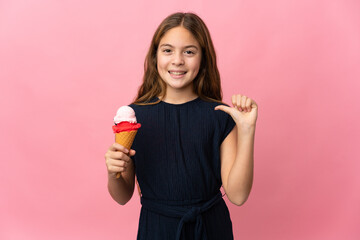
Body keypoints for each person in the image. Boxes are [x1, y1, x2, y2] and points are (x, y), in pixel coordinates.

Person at [104, 12, 258, 240]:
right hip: (157, 229)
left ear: (203, 58)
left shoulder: (220, 116)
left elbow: (238, 195)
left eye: (189, 51)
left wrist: (246, 131)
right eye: (167, 50)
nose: (177, 60)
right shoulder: (133, 117)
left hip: (210, 229)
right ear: (155, 56)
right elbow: (122, 196)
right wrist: (113, 172)